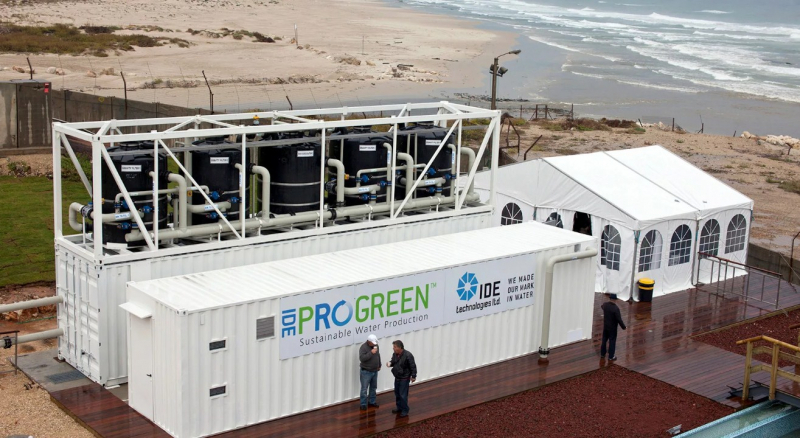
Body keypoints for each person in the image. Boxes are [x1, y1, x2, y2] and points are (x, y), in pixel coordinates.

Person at [386, 340, 416, 417]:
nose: (393, 348)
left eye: (395, 347)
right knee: (397, 393)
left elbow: (413, 366)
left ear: (400, 347)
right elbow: (393, 361)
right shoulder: (395, 354)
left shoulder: (408, 355)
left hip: (404, 378)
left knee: (403, 394)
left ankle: (405, 410)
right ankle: (399, 407)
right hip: (397, 376)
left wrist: (413, 376)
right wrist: (390, 363)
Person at [358, 334, 381, 410]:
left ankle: (372, 401)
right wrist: (371, 353)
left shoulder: (376, 345)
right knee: (364, 389)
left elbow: (378, 355)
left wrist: (379, 364)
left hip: (375, 370)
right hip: (366, 371)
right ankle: (363, 404)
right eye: (373, 343)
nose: (374, 344)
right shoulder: (363, 347)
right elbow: (362, 358)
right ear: (368, 341)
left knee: (373, 387)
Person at [600, 294, 626, 360]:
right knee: (612, 341)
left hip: (606, 326)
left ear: (610, 299)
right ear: (615, 300)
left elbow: (602, 306)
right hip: (612, 328)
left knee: (604, 340)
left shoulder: (605, 305)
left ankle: (602, 353)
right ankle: (611, 356)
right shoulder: (615, 308)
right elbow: (619, 319)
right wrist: (623, 327)